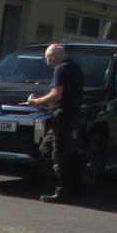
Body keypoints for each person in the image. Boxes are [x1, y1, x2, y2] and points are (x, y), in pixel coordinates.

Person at [28, 44, 83, 202]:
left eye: (47, 58)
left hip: (63, 114)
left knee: (58, 152)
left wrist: (37, 101)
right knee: (46, 148)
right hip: (72, 114)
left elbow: (56, 94)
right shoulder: (75, 67)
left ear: (53, 56)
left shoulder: (61, 69)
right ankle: (65, 185)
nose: (47, 62)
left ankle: (63, 191)